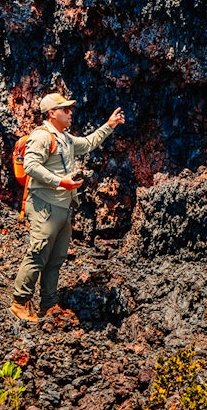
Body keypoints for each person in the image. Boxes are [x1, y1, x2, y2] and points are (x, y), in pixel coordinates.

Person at [9, 92, 125, 321]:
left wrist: (109, 125)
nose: (70, 113)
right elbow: (31, 166)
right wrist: (60, 181)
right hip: (44, 206)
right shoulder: (42, 137)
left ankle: (49, 304)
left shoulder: (65, 138)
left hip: (63, 207)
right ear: (52, 113)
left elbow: (89, 143)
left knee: (56, 258)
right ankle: (19, 303)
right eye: (65, 109)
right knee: (38, 254)